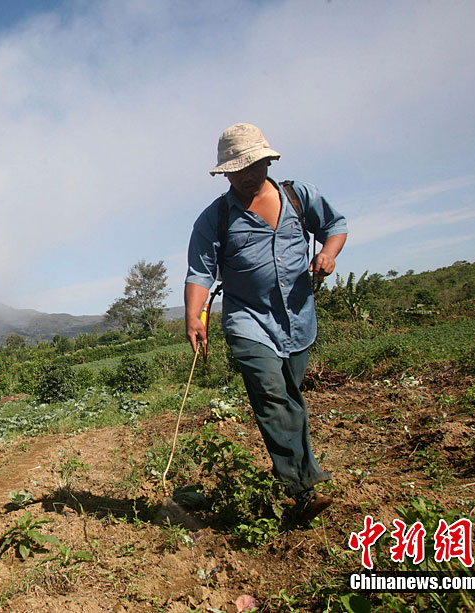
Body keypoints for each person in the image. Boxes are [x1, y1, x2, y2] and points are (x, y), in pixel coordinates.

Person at [184, 123, 348, 522]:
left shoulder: (297, 196)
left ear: (267, 160)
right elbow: (200, 272)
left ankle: (300, 478)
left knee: (290, 396)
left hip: (297, 318)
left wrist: (328, 254)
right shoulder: (215, 218)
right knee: (272, 395)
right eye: (237, 170)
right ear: (225, 173)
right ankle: (301, 489)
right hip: (247, 320)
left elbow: (335, 227)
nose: (247, 176)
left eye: (253, 165)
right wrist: (193, 315)